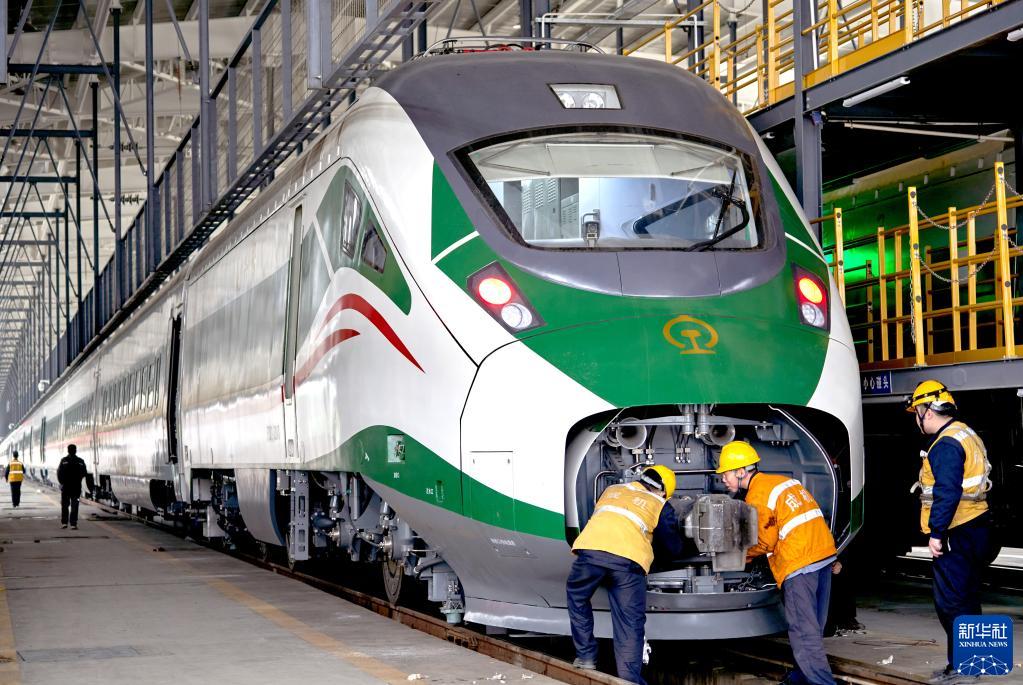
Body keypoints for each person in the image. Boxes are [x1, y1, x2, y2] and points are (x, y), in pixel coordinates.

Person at [717, 441, 838, 685]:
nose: (723, 479)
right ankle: (800, 678)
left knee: (803, 631)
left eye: (726, 473)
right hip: (822, 556)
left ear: (740, 472)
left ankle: (823, 683)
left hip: (800, 563)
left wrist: (737, 557)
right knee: (813, 626)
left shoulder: (759, 495)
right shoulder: (784, 482)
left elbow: (765, 542)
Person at [906, 380, 994, 683]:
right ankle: (975, 664)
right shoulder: (965, 433)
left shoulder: (945, 444)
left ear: (927, 412)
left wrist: (937, 533)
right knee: (968, 597)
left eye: (917, 412)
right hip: (976, 524)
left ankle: (963, 669)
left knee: (952, 602)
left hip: (957, 529)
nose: (917, 419)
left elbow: (947, 492)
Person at [567, 464, 684, 685]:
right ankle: (629, 680)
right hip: (628, 563)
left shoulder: (611, 490)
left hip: (590, 554)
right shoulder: (660, 504)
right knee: (629, 622)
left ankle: (586, 656)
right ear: (663, 492)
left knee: (577, 597)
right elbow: (673, 548)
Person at [57, 444, 92, 529]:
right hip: (76, 487)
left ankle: (64, 523)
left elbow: (59, 473)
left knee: (64, 505)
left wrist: (62, 483)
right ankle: (73, 524)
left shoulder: (64, 460)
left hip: (66, 487)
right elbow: (84, 473)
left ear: (68, 451)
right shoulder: (80, 461)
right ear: (75, 450)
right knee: (75, 506)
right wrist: (78, 479)